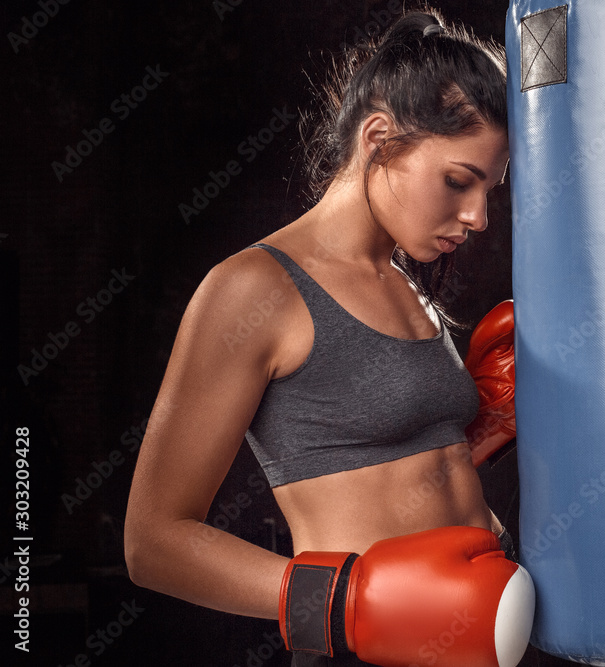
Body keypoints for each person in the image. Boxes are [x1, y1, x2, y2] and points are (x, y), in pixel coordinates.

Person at [124, 8, 529, 667]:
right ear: (378, 138)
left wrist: (483, 426)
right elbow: (152, 542)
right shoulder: (253, 289)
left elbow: (393, 462)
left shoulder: (409, 287)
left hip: (481, 639)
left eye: (489, 188)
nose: (478, 216)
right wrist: (345, 601)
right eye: (459, 181)